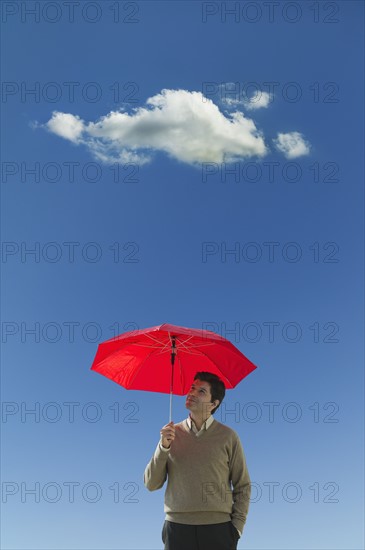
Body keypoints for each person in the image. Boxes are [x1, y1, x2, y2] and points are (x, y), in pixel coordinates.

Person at [143, 371, 251, 550]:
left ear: (213, 404)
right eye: (192, 388)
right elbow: (151, 484)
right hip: (177, 529)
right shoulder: (170, 434)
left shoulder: (228, 436)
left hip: (219, 530)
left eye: (201, 391)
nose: (191, 393)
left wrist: (237, 528)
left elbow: (243, 485)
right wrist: (163, 447)